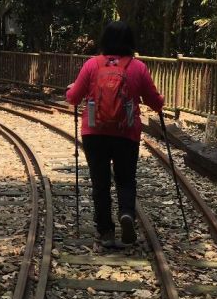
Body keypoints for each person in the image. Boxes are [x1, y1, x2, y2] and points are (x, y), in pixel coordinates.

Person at [65, 21, 164, 245]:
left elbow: (73, 98)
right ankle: (126, 213)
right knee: (126, 179)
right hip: (126, 133)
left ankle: (106, 232)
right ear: (130, 42)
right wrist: (161, 101)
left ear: (104, 40)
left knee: (100, 182)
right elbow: (154, 102)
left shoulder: (92, 65)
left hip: (94, 132)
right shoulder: (138, 67)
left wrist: (70, 89)